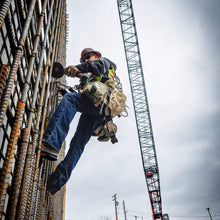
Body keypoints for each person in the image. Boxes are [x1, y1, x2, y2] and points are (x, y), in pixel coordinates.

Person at [40, 48, 117, 195]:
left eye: (88, 57)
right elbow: (85, 96)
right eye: (84, 59)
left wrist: (77, 68)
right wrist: (72, 90)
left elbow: (97, 67)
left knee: (70, 101)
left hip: (102, 104)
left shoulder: (105, 63)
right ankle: (54, 182)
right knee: (77, 144)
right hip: (96, 108)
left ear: (97, 56)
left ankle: (51, 143)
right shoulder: (91, 76)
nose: (86, 60)